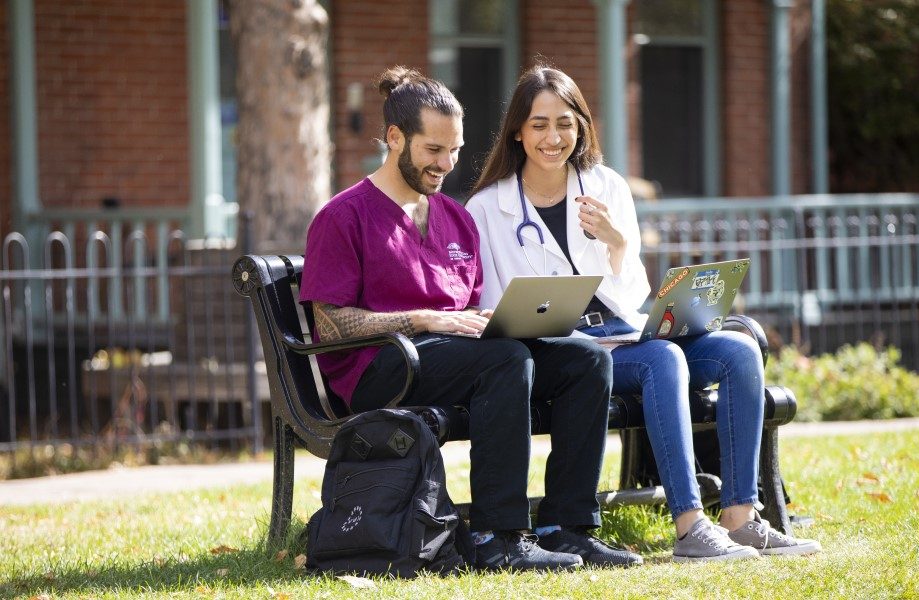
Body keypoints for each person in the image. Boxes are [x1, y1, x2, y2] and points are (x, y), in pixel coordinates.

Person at [467, 65, 821, 562]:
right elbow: (493, 308)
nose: (554, 137)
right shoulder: (488, 208)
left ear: (582, 126)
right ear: (518, 132)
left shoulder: (605, 185)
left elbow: (633, 291)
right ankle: (690, 524)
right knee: (663, 360)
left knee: (739, 351)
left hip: (623, 332)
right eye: (540, 124)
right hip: (567, 352)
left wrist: (615, 242)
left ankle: (741, 518)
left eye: (565, 123)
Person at [299, 66, 642, 571]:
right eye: (434, 151)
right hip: (380, 368)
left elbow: (464, 311)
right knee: (504, 361)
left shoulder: (454, 217)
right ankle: (496, 536)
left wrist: (496, 318)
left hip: (449, 358)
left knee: (584, 361)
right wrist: (421, 320)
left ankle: (566, 527)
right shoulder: (343, 216)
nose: (447, 163)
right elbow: (329, 326)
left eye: (455, 149)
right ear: (395, 138)